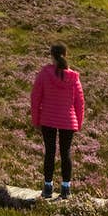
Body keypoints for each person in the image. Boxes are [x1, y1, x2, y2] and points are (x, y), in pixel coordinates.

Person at [30, 43, 85, 199]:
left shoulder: (44, 74)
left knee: (50, 152)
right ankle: (66, 189)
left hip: (47, 119)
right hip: (68, 121)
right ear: (65, 55)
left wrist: (36, 120)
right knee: (65, 153)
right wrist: (78, 123)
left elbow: (35, 98)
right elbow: (80, 103)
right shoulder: (74, 78)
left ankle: (48, 187)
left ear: (51, 56)